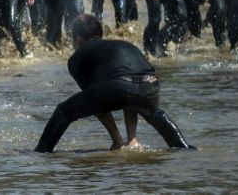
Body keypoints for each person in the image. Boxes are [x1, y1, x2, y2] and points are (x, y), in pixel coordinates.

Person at [34, 14, 193, 153]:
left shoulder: (77, 58)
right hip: (151, 85)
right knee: (151, 112)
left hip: (121, 87)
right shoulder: (123, 45)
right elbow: (132, 90)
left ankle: (41, 152)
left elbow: (95, 102)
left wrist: (116, 138)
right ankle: (181, 147)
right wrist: (131, 137)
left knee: (64, 111)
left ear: (77, 39)